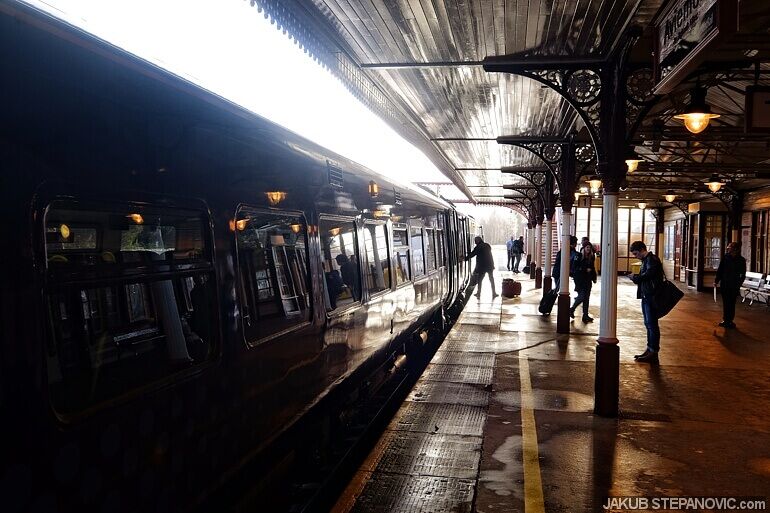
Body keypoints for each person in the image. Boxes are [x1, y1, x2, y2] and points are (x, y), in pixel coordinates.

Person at [630, 240, 664, 364]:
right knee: (649, 324)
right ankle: (650, 349)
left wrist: (635, 278)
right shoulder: (647, 260)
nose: (636, 256)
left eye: (636, 253)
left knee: (652, 324)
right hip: (647, 295)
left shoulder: (652, 260)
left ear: (641, 250)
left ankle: (653, 351)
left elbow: (648, 275)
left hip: (652, 296)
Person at [714, 241, 746, 329]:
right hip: (725, 284)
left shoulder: (741, 260)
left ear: (735, 249)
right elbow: (720, 270)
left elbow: (743, 274)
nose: (728, 248)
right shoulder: (725, 258)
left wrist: (739, 283)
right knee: (725, 303)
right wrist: (716, 280)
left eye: (730, 247)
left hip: (734, 285)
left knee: (732, 303)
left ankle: (730, 320)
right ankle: (725, 320)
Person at [570, 243, 597, 322]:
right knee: (582, 296)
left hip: (588, 279)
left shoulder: (591, 257)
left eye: (590, 248)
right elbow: (574, 268)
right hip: (580, 279)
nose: (588, 249)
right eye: (587, 247)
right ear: (584, 248)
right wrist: (584, 269)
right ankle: (572, 309)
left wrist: (594, 277)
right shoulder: (578, 256)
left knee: (587, 298)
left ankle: (585, 315)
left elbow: (592, 268)